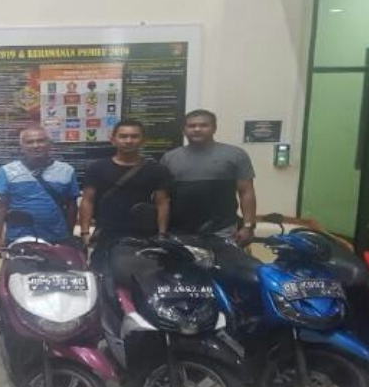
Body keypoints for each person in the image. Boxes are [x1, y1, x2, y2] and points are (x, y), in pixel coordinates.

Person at [79, 118, 172, 271]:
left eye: (134, 136)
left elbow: (162, 203)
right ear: (113, 139)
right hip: (106, 233)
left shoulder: (156, 170)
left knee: (143, 276)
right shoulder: (97, 168)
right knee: (102, 276)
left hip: (144, 235)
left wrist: (162, 234)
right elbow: (88, 200)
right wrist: (85, 232)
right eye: (123, 136)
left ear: (144, 140)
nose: (128, 141)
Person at [160, 109, 257, 244]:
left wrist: (248, 226)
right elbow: (163, 199)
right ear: (184, 130)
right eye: (191, 126)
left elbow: (246, 192)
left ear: (214, 128)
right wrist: (162, 232)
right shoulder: (169, 158)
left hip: (222, 230)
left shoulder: (235, 155)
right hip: (179, 231)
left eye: (204, 125)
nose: (197, 129)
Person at [0, 126, 80, 247]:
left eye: (41, 141)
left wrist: (69, 236)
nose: (36, 145)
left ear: (50, 144)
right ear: (22, 147)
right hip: (18, 239)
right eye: (29, 142)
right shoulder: (7, 171)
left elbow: (72, 206)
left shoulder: (66, 171)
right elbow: (1, 207)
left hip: (57, 239)